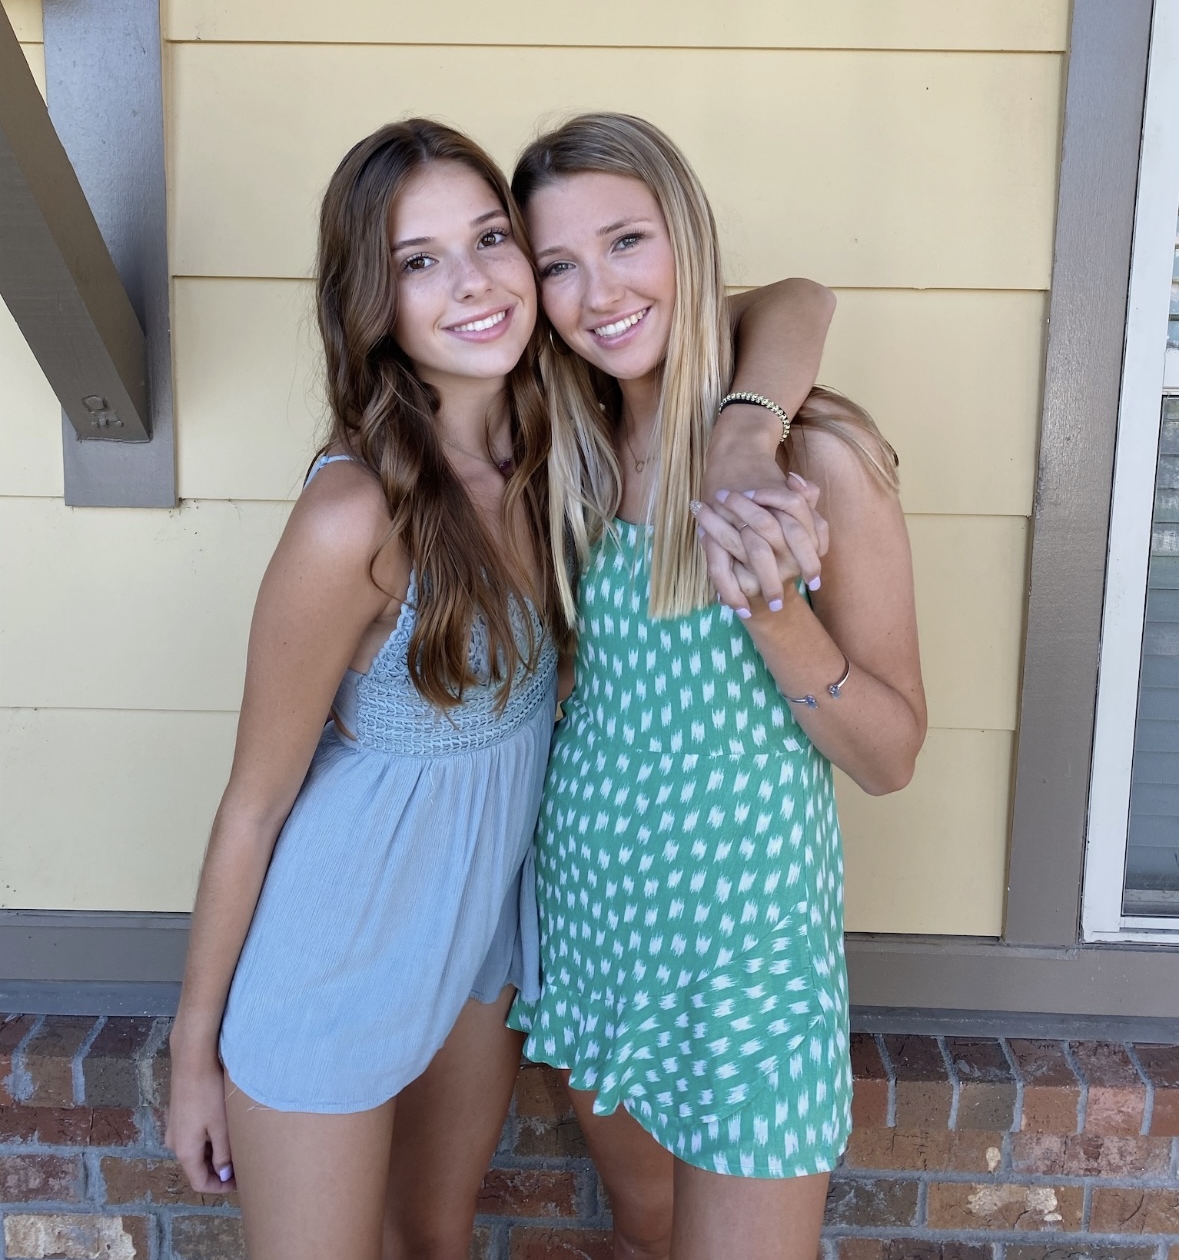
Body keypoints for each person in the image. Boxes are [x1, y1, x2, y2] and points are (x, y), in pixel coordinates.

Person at [164, 116, 836, 1260]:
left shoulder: (561, 447)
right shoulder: (353, 515)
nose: (473, 281)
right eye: (420, 260)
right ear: (372, 302)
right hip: (335, 947)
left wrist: (742, 436)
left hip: (477, 945)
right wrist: (193, 1054)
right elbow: (254, 804)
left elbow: (798, 299)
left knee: (436, 1236)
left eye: (490, 238)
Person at [510, 113, 927, 1260]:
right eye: (558, 264)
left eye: (626, 240)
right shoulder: (570, 458)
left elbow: (890, 755)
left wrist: (773, 608)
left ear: (686, 239)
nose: (599, 292)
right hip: (595, 926)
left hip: (750, 960)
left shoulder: (814, 457)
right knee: (646, 1233)